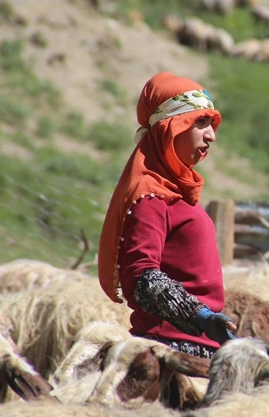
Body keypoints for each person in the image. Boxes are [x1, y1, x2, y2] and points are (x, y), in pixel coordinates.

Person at [97, 72, 237, 359]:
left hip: (200, 346)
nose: (211, 135)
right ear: (171, 127)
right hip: (170, 350)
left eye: (212, 124)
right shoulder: (151, 197)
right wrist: (200, 317)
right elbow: (142, 278)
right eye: (201, 122)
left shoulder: (176, 194)